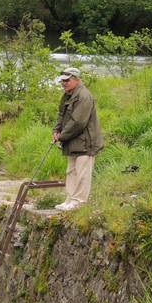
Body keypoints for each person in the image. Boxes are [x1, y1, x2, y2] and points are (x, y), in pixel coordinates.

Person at [52, 67, 104, 211]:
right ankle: (69, 199)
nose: (64, 83)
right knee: (71, 171)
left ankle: (79, 202)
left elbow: (78, 122)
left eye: (67, 80)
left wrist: (61, 137)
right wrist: (56, 130)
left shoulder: (84, 96)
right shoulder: (67, 95)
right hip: (72, 141)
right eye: (63, 81)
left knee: (82, 173)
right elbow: (61, 115)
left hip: (86, 142)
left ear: (77, 79)